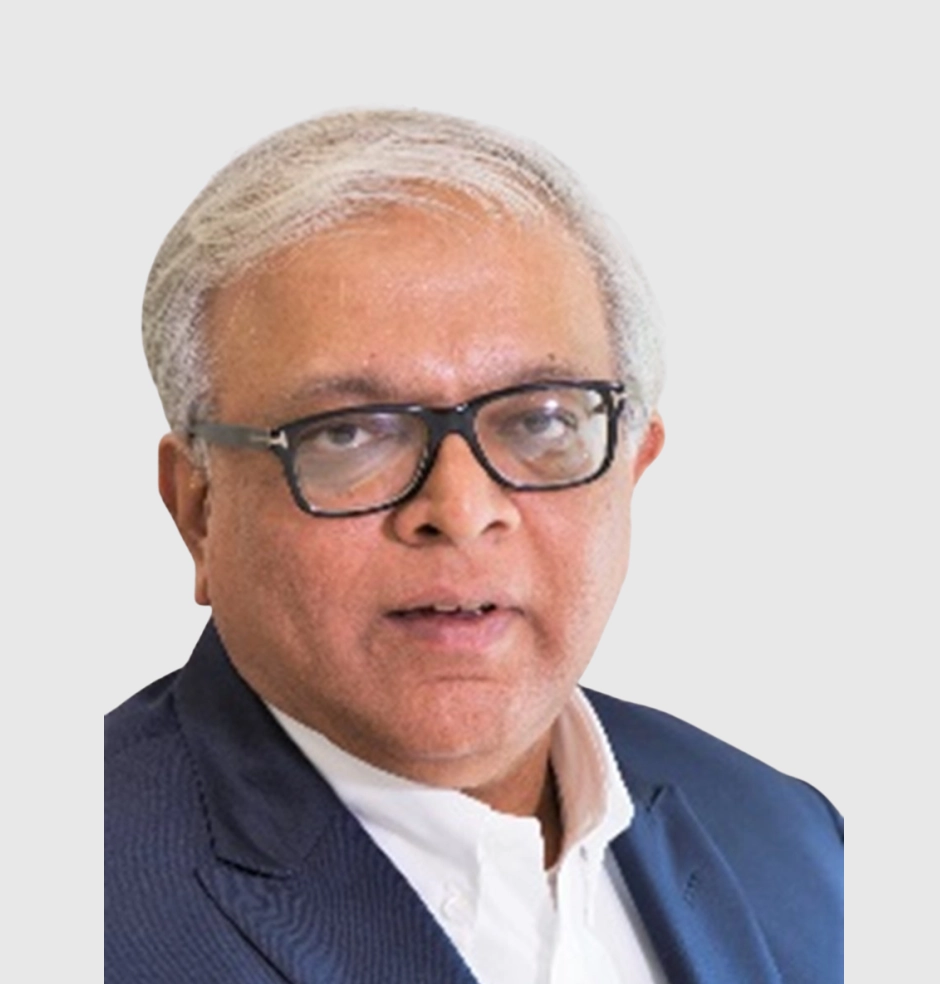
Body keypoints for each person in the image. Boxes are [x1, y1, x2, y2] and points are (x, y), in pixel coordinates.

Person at [105, 109, 843, 984]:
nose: (460, 510)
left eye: (539, 420)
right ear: (197, 509)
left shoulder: (792, 838)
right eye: (347, 433)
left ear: (631, 468)